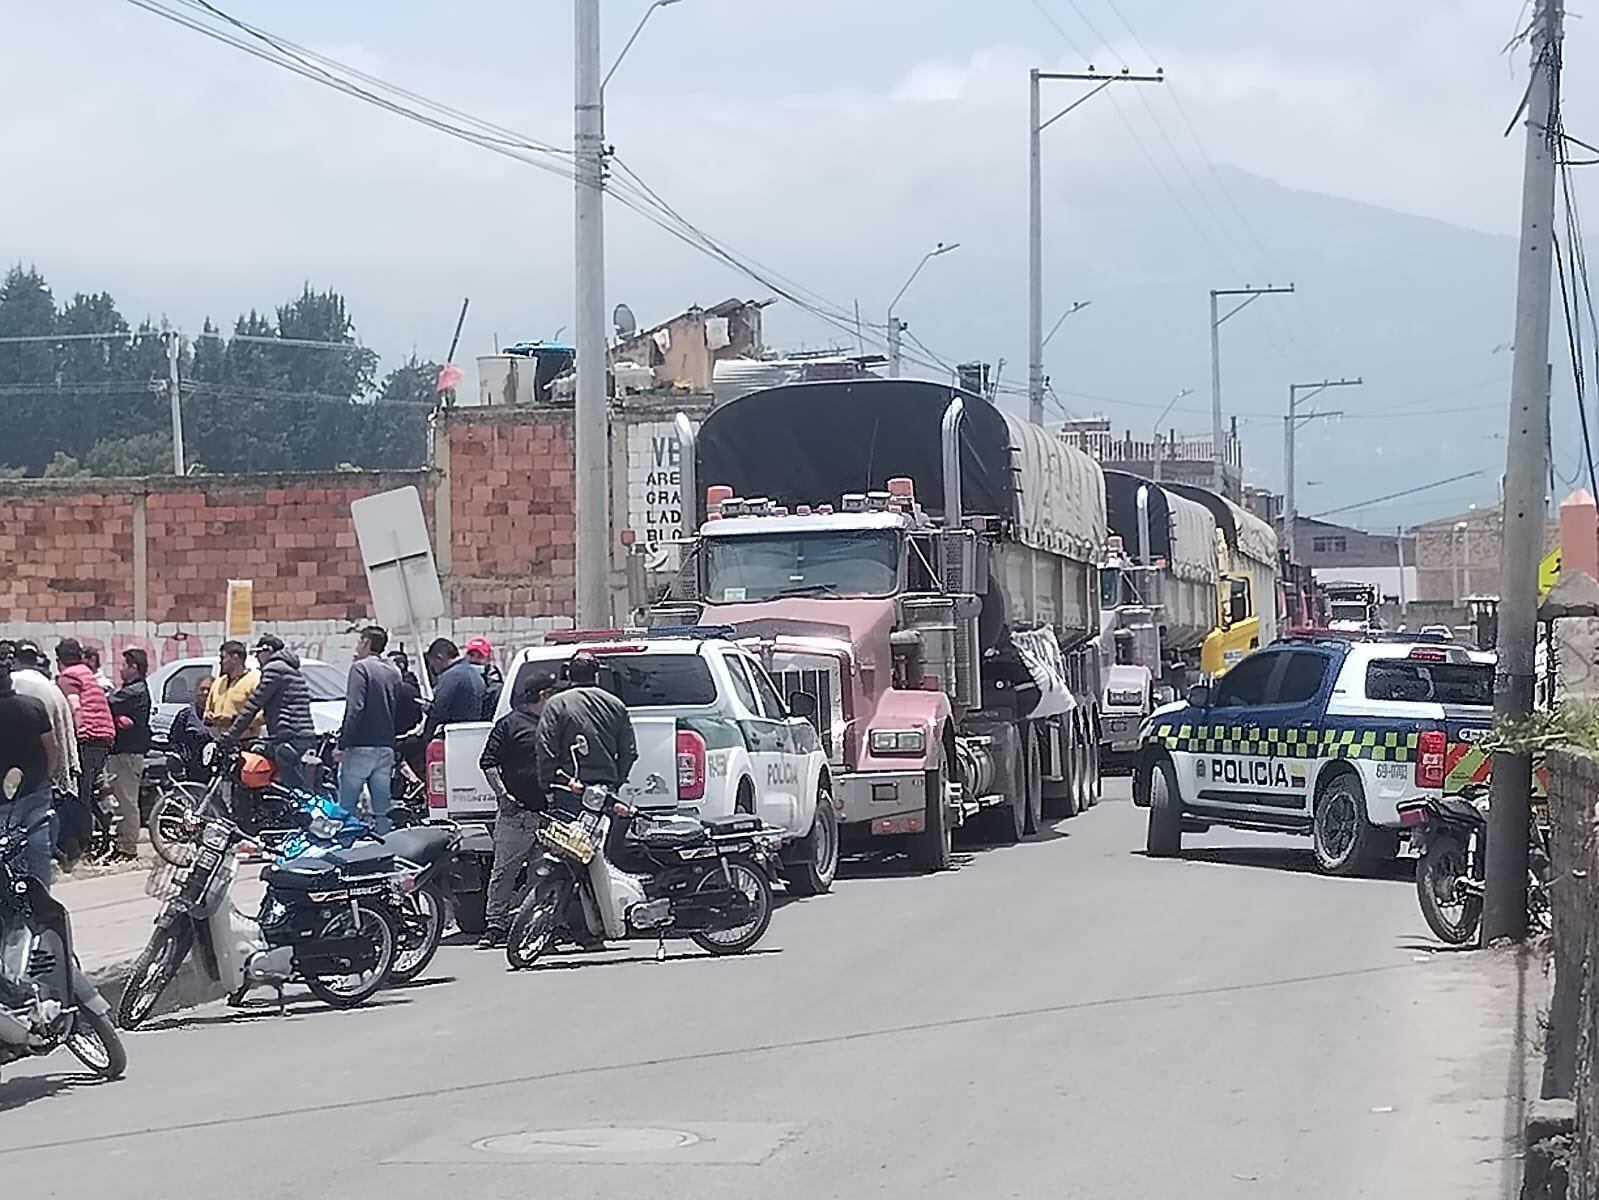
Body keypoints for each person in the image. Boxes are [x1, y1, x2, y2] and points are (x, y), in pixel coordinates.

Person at [476, 667, 562, 948]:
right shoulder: (510, 724)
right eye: (554, 693)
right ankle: (495, 926)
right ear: (543, 695)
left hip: (549, 815)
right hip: (517, 814)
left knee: (544, 874)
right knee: (504, 872)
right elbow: (488, 762)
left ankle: (535, 928)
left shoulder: (556, 724)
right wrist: (503, 795)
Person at [0, 640, 61, 888]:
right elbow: (52, 746)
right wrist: (47, 777)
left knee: (7, 852)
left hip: (4, 797)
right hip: (35, 789)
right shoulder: (33, 706)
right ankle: (41, 895)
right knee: (38, 847)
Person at [536, 652, 638, 795]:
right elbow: (629, 751)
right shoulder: (616, 704)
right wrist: (617, 781)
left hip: (568, 787)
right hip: (604, 789)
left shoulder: (556, 704)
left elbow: (546, 747)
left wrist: (547, 783)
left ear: (569, 674)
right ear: (597, 676)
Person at [222, 635, 316, 791]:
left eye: (258, 652)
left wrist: (231, 735)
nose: (256, 657)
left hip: (289, 736)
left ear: (268, 651)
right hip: (299, 735)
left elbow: (254, 704)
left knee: (293, 787)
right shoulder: (290, 668)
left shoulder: (274, 669)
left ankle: (300, 804)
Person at [337, 625, 401, 833]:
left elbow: (355, 708)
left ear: (365, 642)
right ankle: (386, 843)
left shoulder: (360, 668)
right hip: (386, 745)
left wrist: (342, 743)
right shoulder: (393, 671)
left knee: (347, 806)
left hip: (361, 745)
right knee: (382, 808)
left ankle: (347, 844)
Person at [55, 638, 116, 851]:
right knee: (88, 792)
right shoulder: (86, 673)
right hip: (104, 737)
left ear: (59, 660)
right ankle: (103, 832)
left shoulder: (68, 677)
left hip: (89, 739)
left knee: (79, 794)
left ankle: (83, 844)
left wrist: (76, 735)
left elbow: (75, 707)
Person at [101, 648, 152, 863]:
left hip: (128, 755)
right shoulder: (129, 690)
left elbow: (108, 702)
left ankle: (128, 848)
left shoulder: (135, 691)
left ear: (134, 668)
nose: (120, 670)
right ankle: (120, 843)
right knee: (118, 801)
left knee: (127, 801)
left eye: (124, 665)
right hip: (119, 753)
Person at [11, 643, 78, 797]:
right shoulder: (51, 687)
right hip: (49, 773)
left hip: (22, 774)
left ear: (15, 659)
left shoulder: (12, 683)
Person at [421, 638, 485, 743]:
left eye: (432, 664)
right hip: (472, 736)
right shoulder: (474, 674)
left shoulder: (450, 677)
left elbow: (439, 711)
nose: (432, 669)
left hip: (452, 738)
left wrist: (426, 738)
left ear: (439, 658)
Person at [205, 640, 262, 737]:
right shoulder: (218, 682)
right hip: (218, 739)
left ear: (235, 658)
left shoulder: (254, 680)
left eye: (223, 658)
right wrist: (209, 717)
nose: (220, 662)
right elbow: (208, 709)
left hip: (244, 740)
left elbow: (262, 714)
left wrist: (234, 720)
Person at [465, 637, 504, 720]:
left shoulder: (495, 684)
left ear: (488, 658)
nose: (474, 660)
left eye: (480, 656)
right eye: (471, 655)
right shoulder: (459, 677)